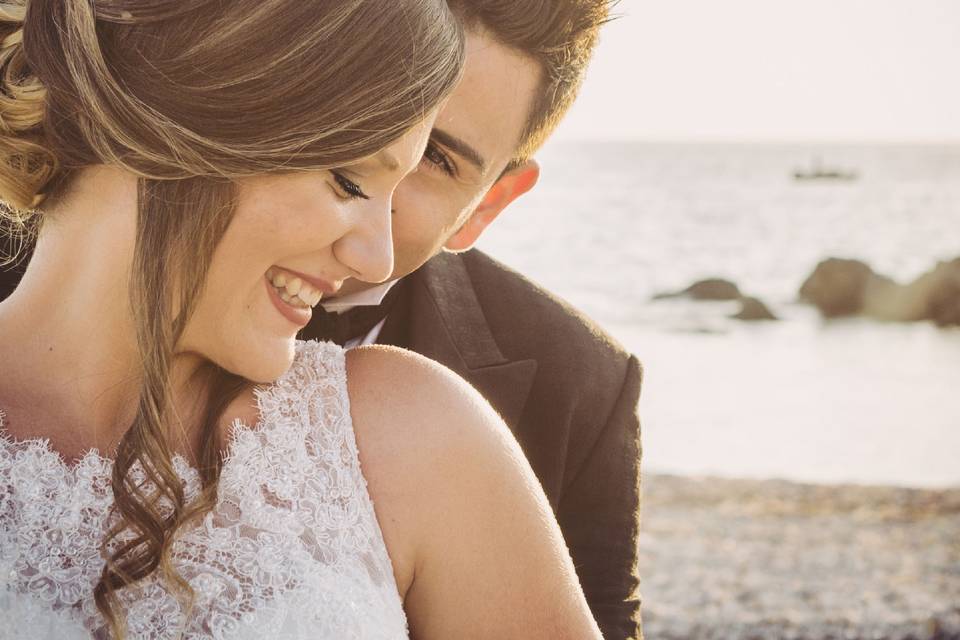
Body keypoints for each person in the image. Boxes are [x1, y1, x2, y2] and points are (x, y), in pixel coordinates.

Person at [0, 1, 604, 638]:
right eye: (348, 180)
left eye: (433, 164)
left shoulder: (415, 435)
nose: (379, 255)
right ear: (184, 113)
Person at [300, 2, 644, 639]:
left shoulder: (581, 382)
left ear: (487, 204)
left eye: (432, 157)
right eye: (364, 114)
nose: (367, 173)